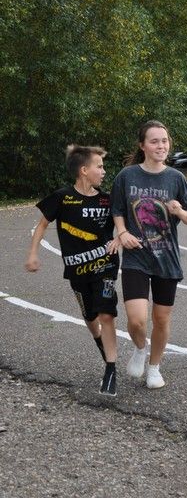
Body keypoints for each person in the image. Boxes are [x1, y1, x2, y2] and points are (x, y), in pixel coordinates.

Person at [25, 145, 121, 396]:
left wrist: (119, 239)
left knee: (106, 312)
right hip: (77, 270)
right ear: (84, 170)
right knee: (91, 317)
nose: (103, 171)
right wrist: (33, 254)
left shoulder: (107, 199)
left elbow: (124, 225)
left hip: (106, 265)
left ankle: (111, 369)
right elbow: (42, 225)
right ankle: (100, 342)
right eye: (99, 166)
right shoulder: (62, 197)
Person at [111, 120, 187, 390]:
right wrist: (122, 232)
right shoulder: (126, 176)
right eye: (154, 141)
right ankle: (140, 348)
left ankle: (154, 367)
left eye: (164, 140)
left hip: (166, 258)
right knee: (137, 319)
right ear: (142, 145)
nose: (161, 146)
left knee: (161, 319)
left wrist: (179, 212)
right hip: (136, 256)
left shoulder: (176, 178)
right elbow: (117, 209)